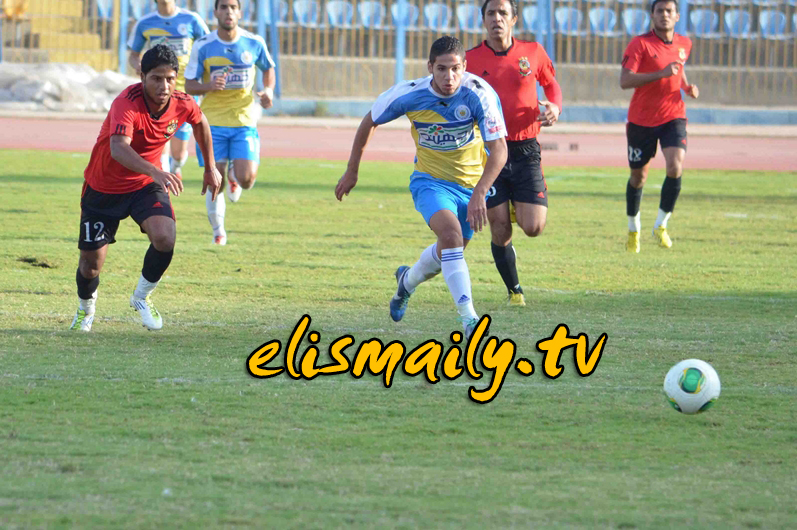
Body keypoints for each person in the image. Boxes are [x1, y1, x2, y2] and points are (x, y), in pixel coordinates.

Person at [335, 36, 508, 337]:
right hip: (430, 182)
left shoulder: (479, 94)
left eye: (455, 69)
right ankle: (469, 320)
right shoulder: (410, 94)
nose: (449, 76)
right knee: (451, 237)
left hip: (470, 186)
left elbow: (500, 149)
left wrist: (480, 191)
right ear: (430, 67)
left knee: (448, 253)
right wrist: (352, 171)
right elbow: (370, 121)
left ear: (465, 67)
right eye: (441, 69)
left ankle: (406, 282)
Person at [69, 45, 222, 332]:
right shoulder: (126, 103)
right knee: (91, 266)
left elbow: (200, 122)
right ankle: (85, 310)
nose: (164, 86)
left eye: (170, 79)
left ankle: (141, 297)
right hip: (104, 186)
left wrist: (210, 167)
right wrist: (155, 170)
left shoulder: (182, 102)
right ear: (142, 77)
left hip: (145, 185)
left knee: (165, 237)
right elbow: (118, 148)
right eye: (156, 79)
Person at [465, 0, 563, 306]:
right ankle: (515, 290)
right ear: (483, 19)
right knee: (499, 227)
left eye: (502, 13)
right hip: (490, 150)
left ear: (514, 19)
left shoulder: (532, 52)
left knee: (533, 227)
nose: (496, 18)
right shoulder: (469, 60)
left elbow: (551, 86)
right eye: (491, 13)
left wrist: (555, 107)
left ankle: (516, 205)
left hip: (525, 149)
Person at [184, 0, 276, 246]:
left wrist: (268, 91)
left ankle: (236, 174)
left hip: (244, 122)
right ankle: (219, 232)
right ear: (215, 12)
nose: (229, 12)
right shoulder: (203, 46)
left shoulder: (254, 42)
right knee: (216, 181)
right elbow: (189, 84)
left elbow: (268, 68)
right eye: (223, 7)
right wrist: (208, 86)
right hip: (211, 124)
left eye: (233, 7)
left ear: (240, 13)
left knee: (247, 179)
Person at [620, 0, 697, 253]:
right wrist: (660, 74)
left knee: (675, 166)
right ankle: (634, 229)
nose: (665, 15)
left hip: (673, 115)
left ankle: (661, 225)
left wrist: (686, 87)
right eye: (660, 11)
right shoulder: (640, 44)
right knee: (638, 177)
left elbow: (678, 69)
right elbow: (625, 81)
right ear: (652, 15)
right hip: (641, 120)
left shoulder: (684, 44)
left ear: (677, 16)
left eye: (669, 11)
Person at [128, 0, 210, 177]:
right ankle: (163, 180)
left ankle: (176, 165)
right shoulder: (144, 23)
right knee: (159, 143)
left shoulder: (192, 20)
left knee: (179, 154)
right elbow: (133, 55)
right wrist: (138, 65)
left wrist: (203, 78)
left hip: (185, 93)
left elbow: (208, 48)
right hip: (157, 93)